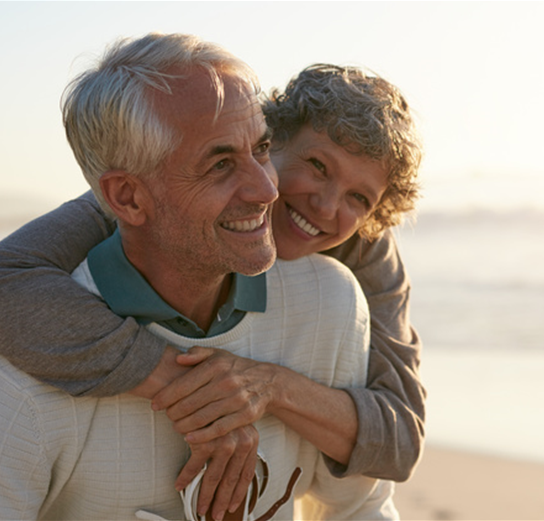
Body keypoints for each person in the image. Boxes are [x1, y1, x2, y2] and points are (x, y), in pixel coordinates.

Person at [0, 58, 425, 520]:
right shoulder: (140, 200)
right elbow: (9, 279)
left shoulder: (354, 265)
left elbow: (398, 442)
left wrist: (266, 385)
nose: (326, 206)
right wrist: (195, 391)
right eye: (317, 166)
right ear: (269, 139)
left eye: (359, 198)